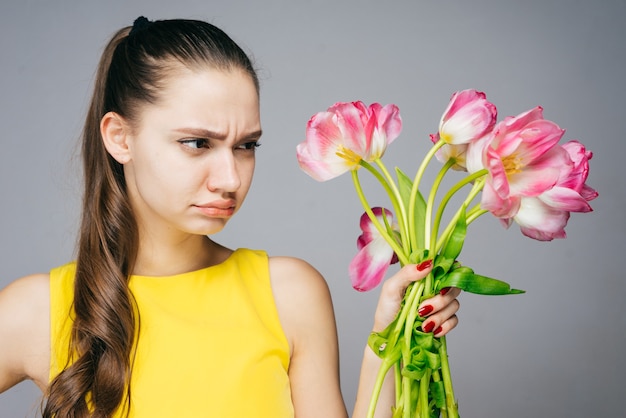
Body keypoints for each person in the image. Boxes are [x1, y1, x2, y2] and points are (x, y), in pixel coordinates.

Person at [0, 17, 460, 418]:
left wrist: (389, 342)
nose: (230, 179)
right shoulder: (36, 310)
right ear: (120, 138)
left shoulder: (290, 293)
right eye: (198, 143)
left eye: (245, 146)